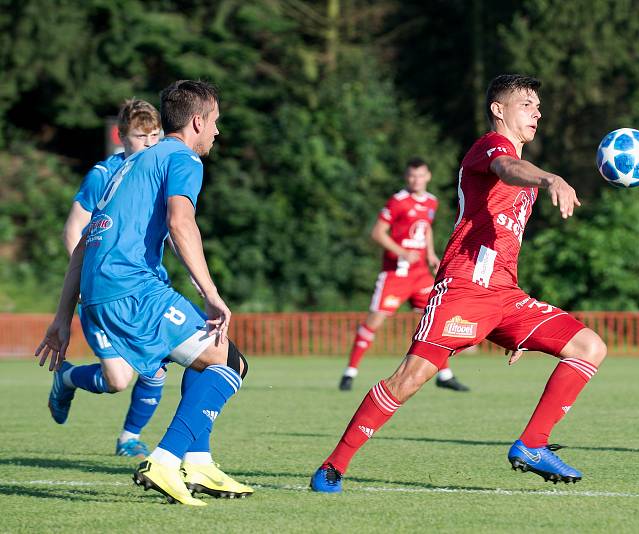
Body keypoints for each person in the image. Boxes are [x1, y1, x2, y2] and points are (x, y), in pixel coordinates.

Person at [310, 74, 607, 493]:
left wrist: (514, 329)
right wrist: (549, 178)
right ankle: (332, 467)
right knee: (408, 379)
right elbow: (509, 168)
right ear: (498, 110)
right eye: (527, 104)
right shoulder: (491, 147)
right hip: (464, 289)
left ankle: (532, 444)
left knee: (589, 346)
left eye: (539, 106)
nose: (537, 112)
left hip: (507, 295)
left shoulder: (527, 177)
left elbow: (504, 240)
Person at [36, 80, 253, 506]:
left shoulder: (126, 165)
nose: (217, 132)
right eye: (215, 122)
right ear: (197, 121)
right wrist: (210, 293)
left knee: (202, 361)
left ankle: (199, 460)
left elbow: (83, 242)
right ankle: (167, 459)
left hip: (99, 292)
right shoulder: (184, 159)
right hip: (131, 287)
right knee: (231, 363)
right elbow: (180, 222)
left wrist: (62, 317)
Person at [55, 99, 166, 459]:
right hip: (104, 290)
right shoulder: (104, 175)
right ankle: (67, 378)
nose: (149, 143)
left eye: (155, 135)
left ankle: (129, 438)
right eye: (140, 136)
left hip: (147, 289)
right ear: (121, 136)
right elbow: (74, 230)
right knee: (118, 381)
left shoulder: (160, 173)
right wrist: (86, 282)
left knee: (157, 366)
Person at [339, 158, 469, 393]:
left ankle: (445, 375)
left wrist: (430, 254)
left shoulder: (431, 202)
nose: (415, 180)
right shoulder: (397, 202)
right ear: (406, 177)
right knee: (374, 322)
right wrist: (401, 252)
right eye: (411, 176)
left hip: (420, 275)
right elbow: (377, 233)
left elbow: (426, 228)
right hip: (396, 275)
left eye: (419, 175)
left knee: (434, 321)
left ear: (428, 176)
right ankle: (350, 373)